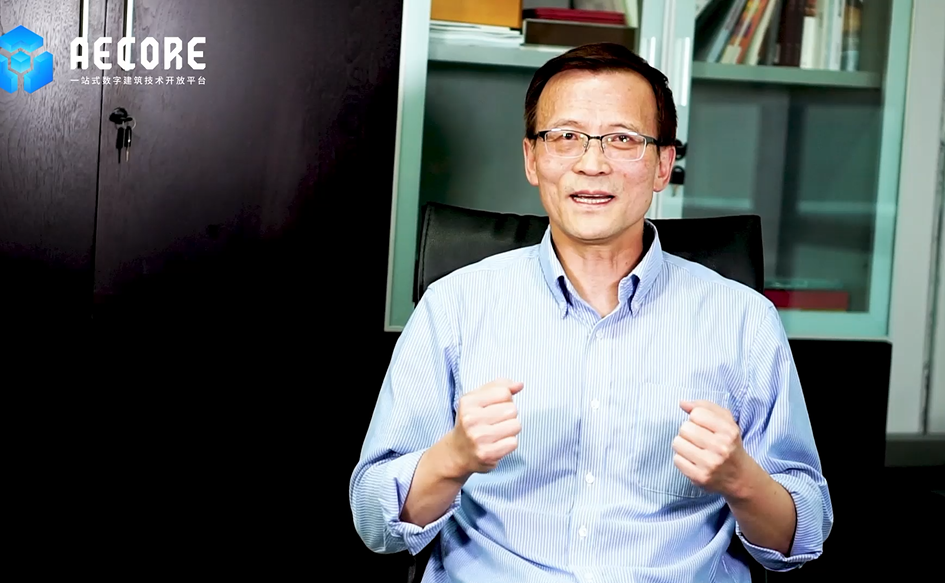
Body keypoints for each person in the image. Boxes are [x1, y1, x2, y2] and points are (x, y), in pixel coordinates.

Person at [350, 42, 832, 583]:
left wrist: (742, 480)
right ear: (532, 159)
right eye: (565, 137)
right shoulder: (453, 307)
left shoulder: (743, 320)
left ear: (663, 164)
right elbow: (374, 520)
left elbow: (803, 534)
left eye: (623, 139)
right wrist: (453, 458)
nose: (592, 163)